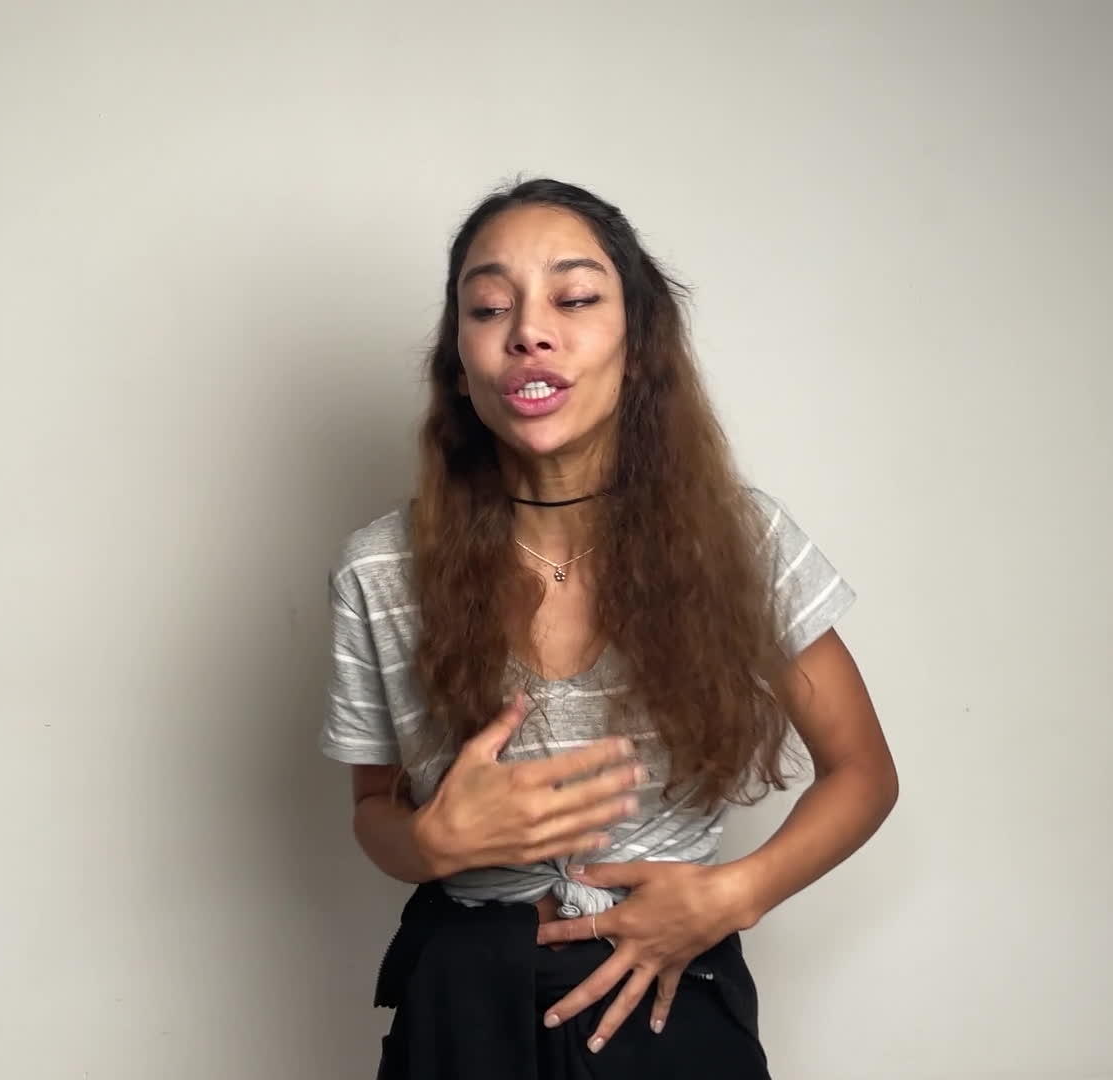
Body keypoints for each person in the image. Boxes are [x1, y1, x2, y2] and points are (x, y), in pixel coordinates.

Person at [319, 177, 898, 1079]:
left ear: (638, 348)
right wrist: (429, 843)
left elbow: (863, 772)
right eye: (489, 307)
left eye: (576, 298)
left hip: (669, 992)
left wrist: (734, 896)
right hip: (461, 1004)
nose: (529, 330)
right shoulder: (380, 568)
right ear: (459, 365)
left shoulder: (740, 541)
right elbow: (372, 811)